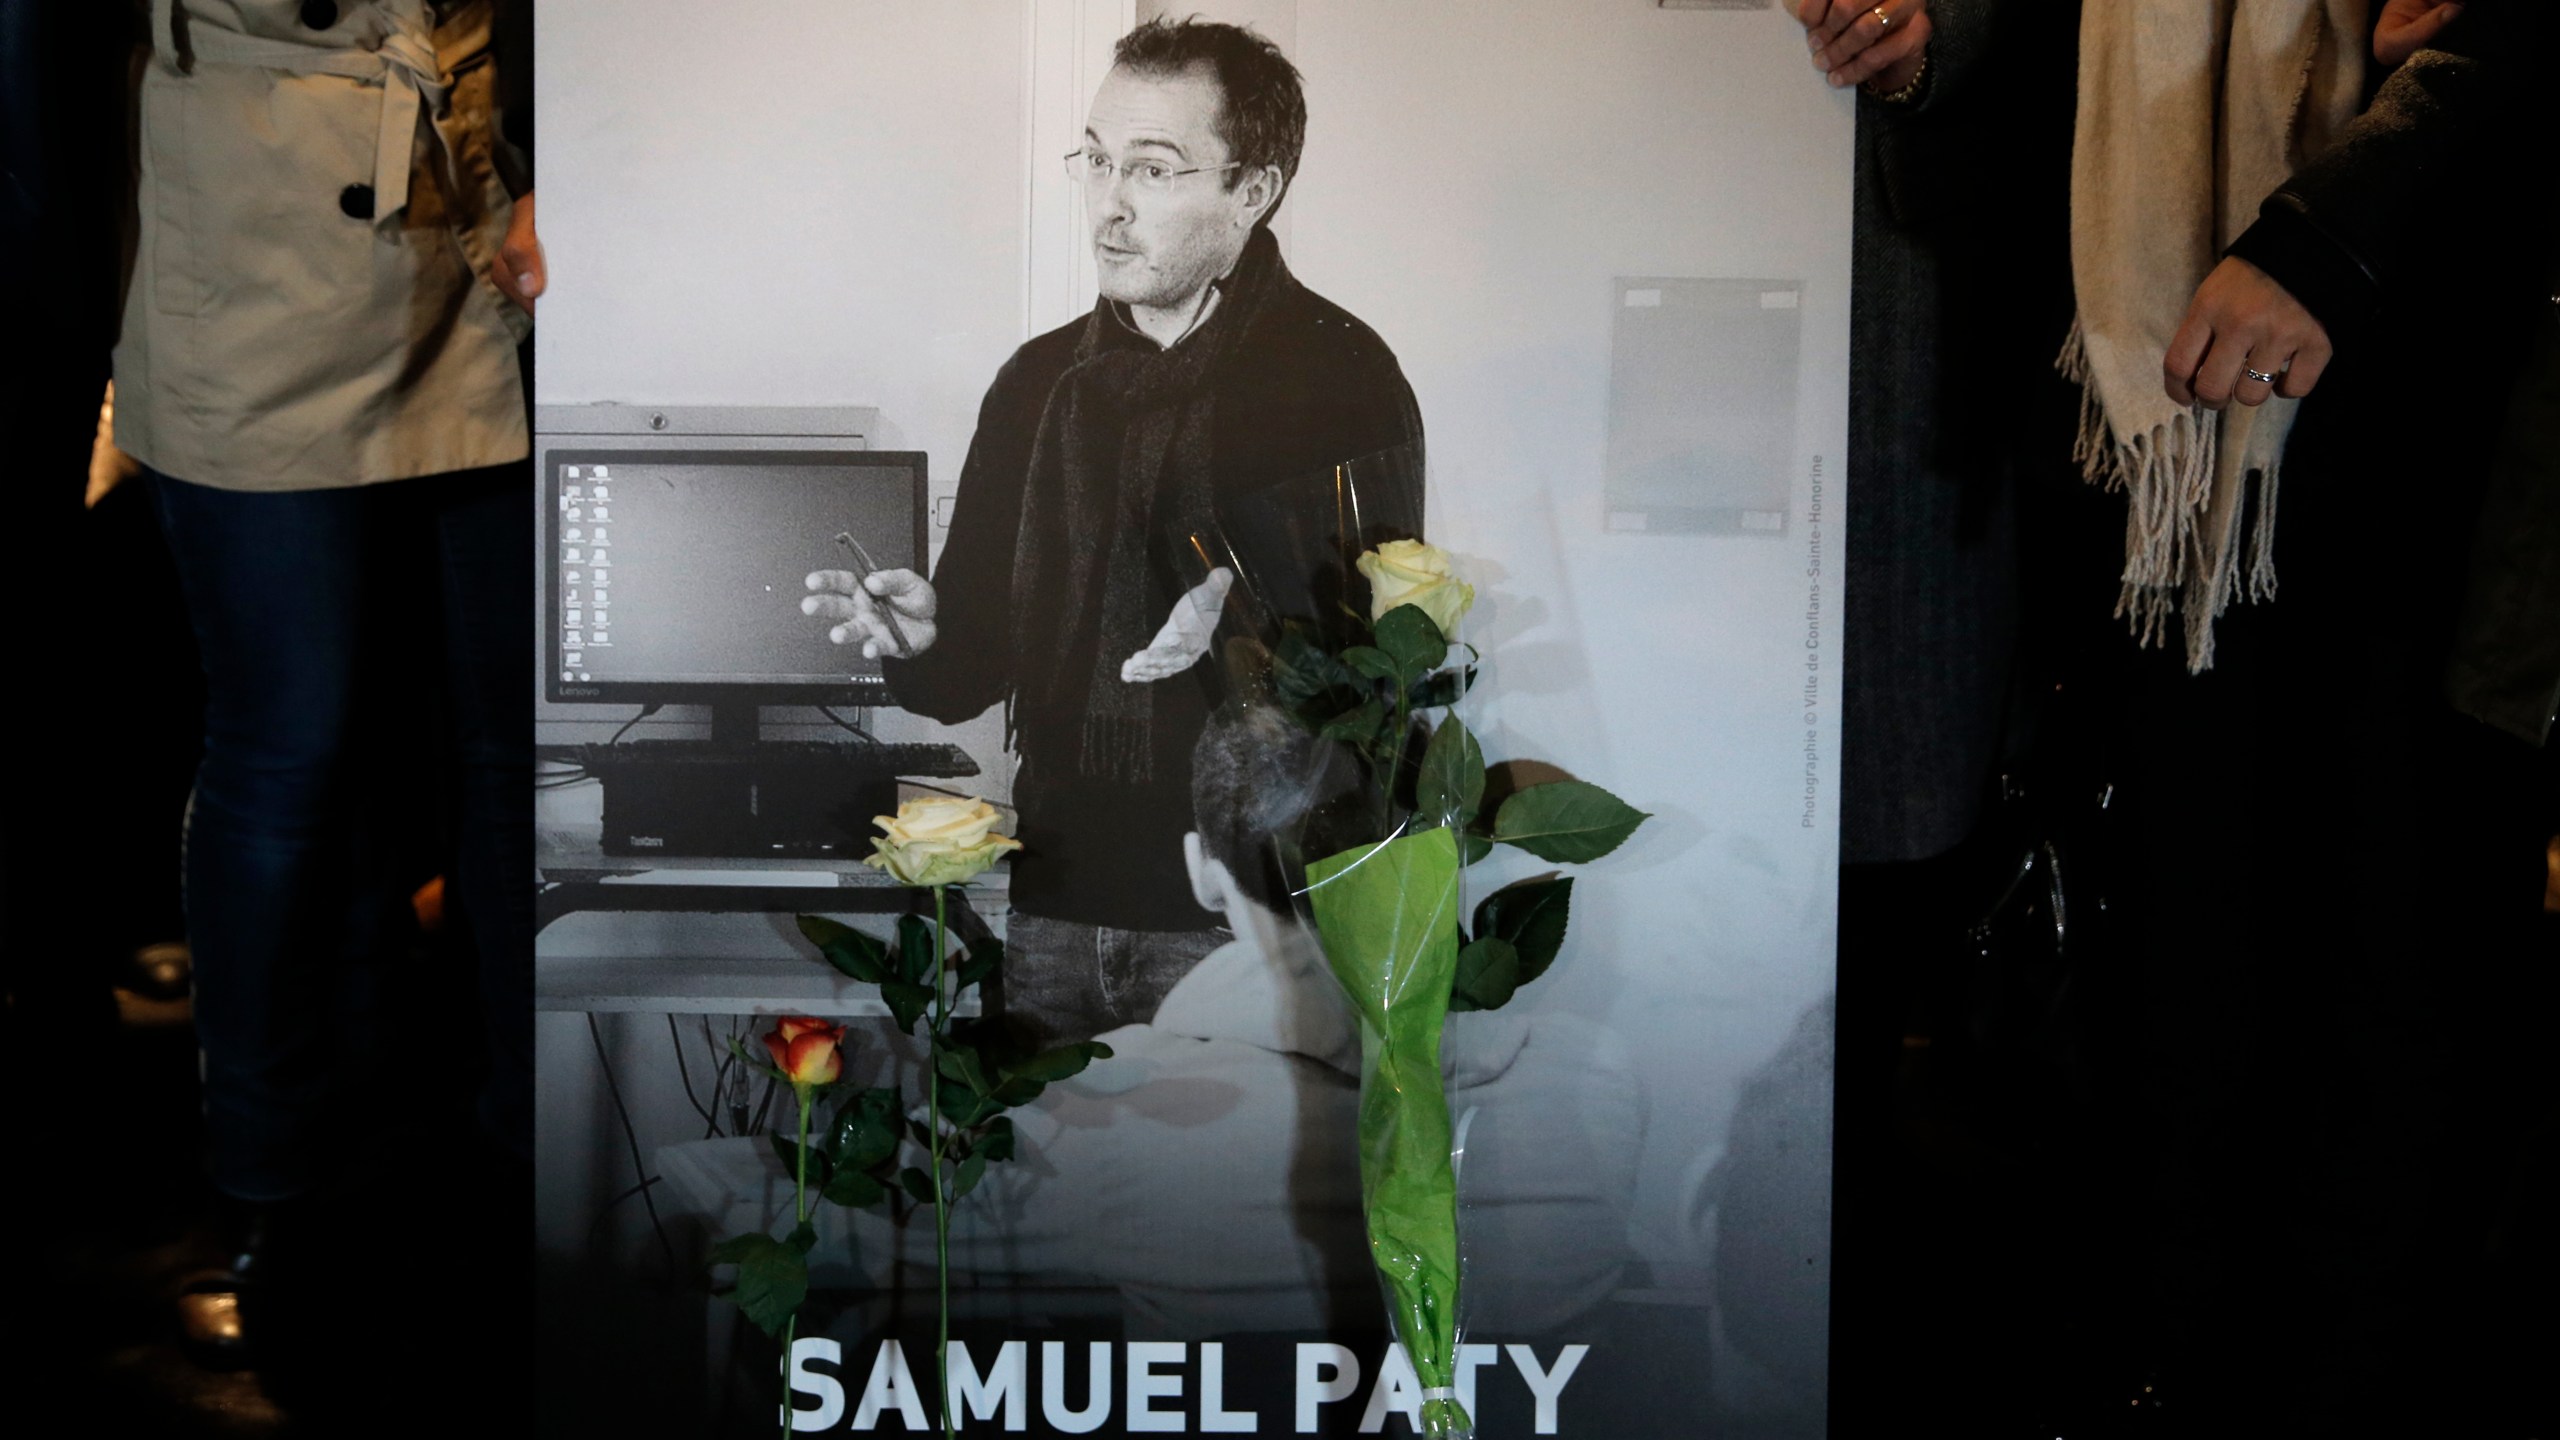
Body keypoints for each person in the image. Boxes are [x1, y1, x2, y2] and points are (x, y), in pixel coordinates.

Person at [801, 18, 1424, 1046]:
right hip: (1054, 900)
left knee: (1232, 1209)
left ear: (1251, 191)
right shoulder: (1040, 385)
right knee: (1050, 1208)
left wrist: (1234, 613)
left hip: (1255, 917)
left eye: (1154, 169)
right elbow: (968, 676)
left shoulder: (1339, 377)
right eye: (1096, 161)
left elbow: (1380, 680)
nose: (1110, 205)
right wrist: (921, 641)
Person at [111, 0, 540, 1365]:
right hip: (255, 239)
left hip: (479, 224)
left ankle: (532, 1142)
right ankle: (268, 1174)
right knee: (287, 748)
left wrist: (571, 172)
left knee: (519, 748)